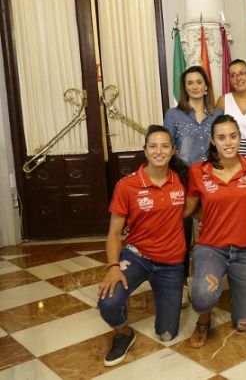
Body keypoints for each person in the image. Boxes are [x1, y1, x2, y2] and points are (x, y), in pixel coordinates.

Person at [97, 125, 187, 366]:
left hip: (171, 263)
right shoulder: (126, 186)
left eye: (165, 146)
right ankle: (123, 333)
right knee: (108, 302)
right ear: (145, 151)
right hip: (137, 256)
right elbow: (115, 232)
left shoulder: (182, 180)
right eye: (153, 146)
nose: (159, 151)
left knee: (168, 334)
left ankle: (174, 294)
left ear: (173, 151)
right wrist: (113, 266)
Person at [184, 115, 246, 347]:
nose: (228, 143)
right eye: (221, 137)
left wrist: (238, 210)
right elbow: (188, 209)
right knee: (202, 298)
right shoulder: (199, 170)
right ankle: (203, 320)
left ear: (239, 137)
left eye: (233, 136)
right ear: (212, 141)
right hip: (211, 247)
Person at [163, 65, 223, 304]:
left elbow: (221, 146)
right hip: (183, 182)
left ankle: (207, 279)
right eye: (190, 83)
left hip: (211, 182)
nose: (195, 86)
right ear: (185, 88)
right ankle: (183, 282)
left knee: (209, 233)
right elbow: (167, 148)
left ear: (206, 86)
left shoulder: (217, 113)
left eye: (199, 82)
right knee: (183, 235)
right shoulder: (173, 115)